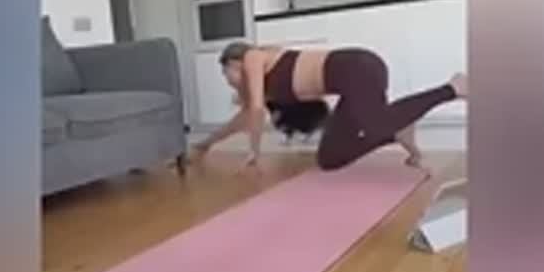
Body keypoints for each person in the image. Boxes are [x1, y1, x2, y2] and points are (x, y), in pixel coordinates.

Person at [191, 40, 467, 172]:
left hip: (357, 67)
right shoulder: (263, 87)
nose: (227, 81)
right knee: (330, 159)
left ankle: (452, 88)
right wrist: (206, 144)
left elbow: (255, 111)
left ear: (234, 63)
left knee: (376, 123)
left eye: (225, 73)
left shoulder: (253, 56)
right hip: (348, 86)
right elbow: (242, 119)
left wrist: (254, 151)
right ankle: (395, 132)